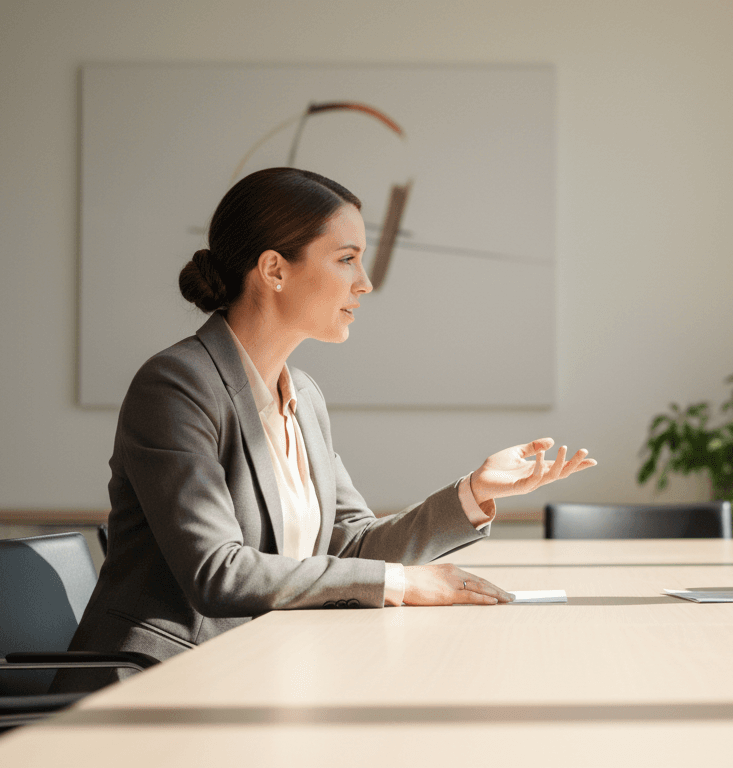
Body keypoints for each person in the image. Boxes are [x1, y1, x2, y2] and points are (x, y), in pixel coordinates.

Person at [57, 168, 595, 691]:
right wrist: (403, 585)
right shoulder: (177, 386)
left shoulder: (304, 397)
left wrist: (474, 493)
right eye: (347, 259)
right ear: (274, 270)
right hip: (157, 682)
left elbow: (355, 544)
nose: (364, 283)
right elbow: (218, 573)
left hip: (260, 667)